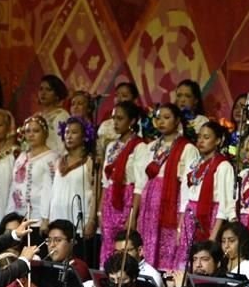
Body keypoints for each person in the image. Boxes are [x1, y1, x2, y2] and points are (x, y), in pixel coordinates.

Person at [133, 103, 199, 270]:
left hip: (170, 206)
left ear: (177, 120)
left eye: (167, 118)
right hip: (148, 209)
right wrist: (134, 213)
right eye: (158, 118)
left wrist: (182, 216)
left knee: (168, 249)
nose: (161, 121)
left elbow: (187, 184)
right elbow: (140, 182)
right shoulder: (150, 147)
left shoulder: (187, 148)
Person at [174, 121, 235, 269]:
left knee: (204, 260)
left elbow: (224, 205)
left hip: (209, 216)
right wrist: (180, 227)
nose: (201, 141)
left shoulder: (223, 165)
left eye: (206, 137)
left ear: (218, 140)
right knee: (185, 260)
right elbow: (185, 195)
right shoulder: (195, 163)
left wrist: (213, 237)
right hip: (190, 216)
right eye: (199, 137)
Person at [98, 101, 144, 265]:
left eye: (120, 118)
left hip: (127, 199)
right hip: (110, 201)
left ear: (132, 121)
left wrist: (133, 216)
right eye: (113, 118)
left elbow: (140, 184)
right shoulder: (111, 146)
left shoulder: (140, 146)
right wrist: (100, 211)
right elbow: (105, 182)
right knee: (108, 246)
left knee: (125, 245)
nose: (115, 123)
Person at [41, 117, 96, 241]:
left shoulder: (89, 161)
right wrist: (46, 218)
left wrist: (92, 220)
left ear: (84, 136)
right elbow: (50, 192)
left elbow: (95, 194)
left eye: (74, 132)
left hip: (79, 222)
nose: (69, 136)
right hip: (57, 220)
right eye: (67, 132)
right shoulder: (58, 161)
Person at [4, 115, 58, 219]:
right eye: (28, 131)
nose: (31, 135)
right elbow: (14, 187)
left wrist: (45, 217)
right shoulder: (22, 157)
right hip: (17, 216)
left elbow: (50, 190)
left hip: (38, 217)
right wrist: (9, 215)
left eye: (36, 131)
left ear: (45, 133)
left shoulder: (51, 158)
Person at [35, 74, 69, 153]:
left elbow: (63, 146)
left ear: (57, 95)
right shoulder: (37, 116)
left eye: (48, 89)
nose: (43, 93)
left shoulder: (61, 115)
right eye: (41, 89)